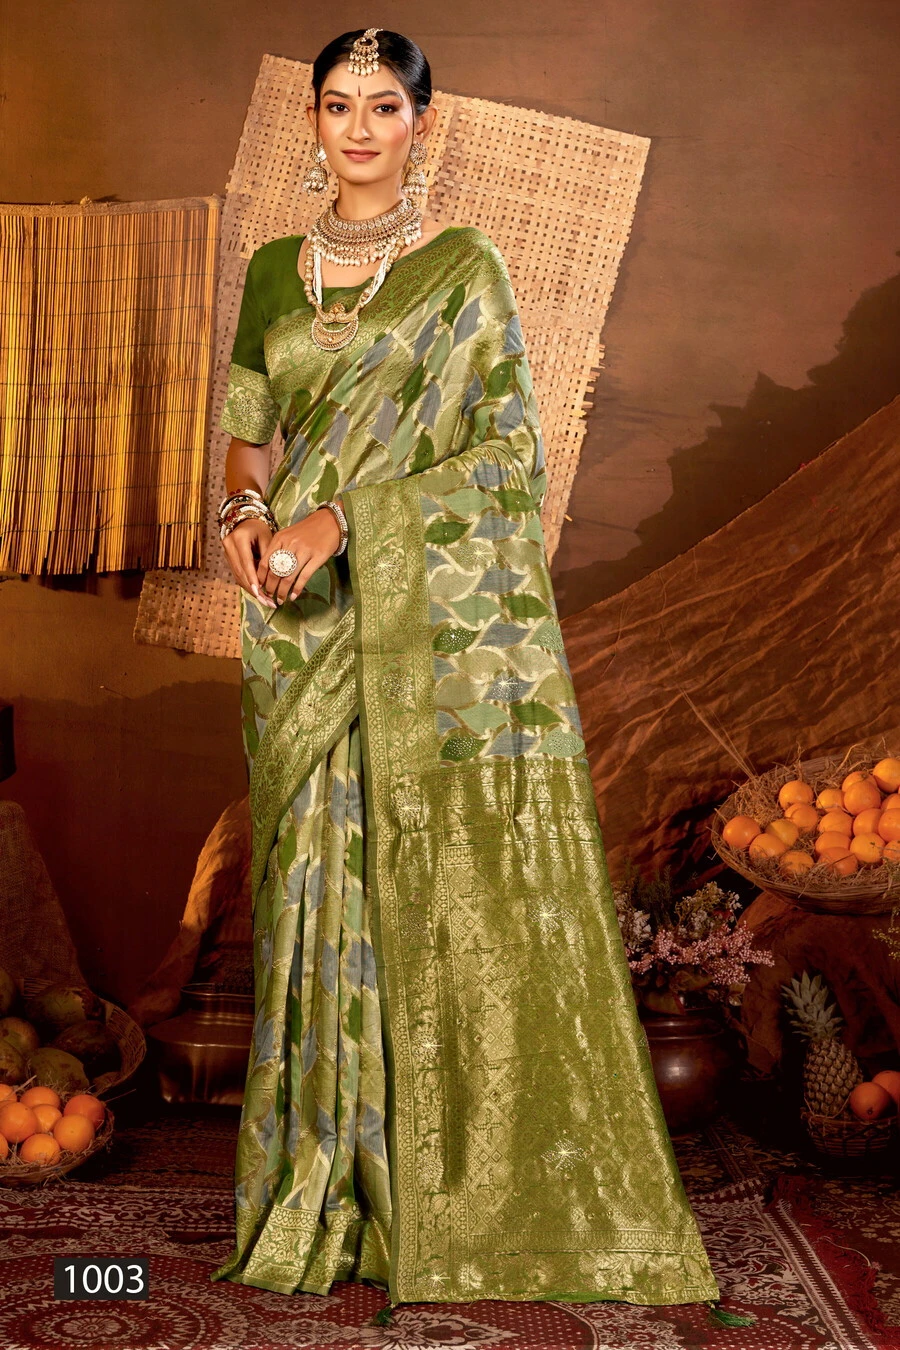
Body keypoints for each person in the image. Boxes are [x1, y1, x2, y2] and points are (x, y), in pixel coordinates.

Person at [209, 27, 720, 1311]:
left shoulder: (465, 270)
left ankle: (435, 1187)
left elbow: (507, 459)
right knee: (314, 888)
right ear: (312, 122)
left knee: (418, 882)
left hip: (420, 626)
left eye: (384, 105)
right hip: (300, 629)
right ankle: (325, 1182)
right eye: (339, 105)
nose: (360, 127)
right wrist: (247, 522)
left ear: (420, 123)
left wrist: (348, 522)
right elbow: (248, 439)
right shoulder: (273, 270)